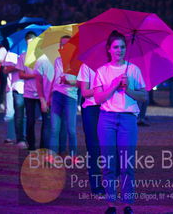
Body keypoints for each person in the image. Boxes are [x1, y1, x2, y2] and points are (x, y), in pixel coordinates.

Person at [93, 30, 147, 214]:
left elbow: (143, 96)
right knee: (108, 163)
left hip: (128, 119)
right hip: (106, 119)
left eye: (123, 47)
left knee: (127, 163)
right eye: (116, 47)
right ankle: (111, 204)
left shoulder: (133, 70)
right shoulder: (102, 71)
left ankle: (127, 203)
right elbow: (98, 98)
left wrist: (129, 88)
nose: (120, 50)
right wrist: (114, 84)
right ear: (109, 49)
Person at [16, 32, 49, 150]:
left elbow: (48, 75)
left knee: (46, 120)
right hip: (29, 93)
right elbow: (21, 75)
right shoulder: (23, 56)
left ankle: (43, 146)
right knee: (30, 121)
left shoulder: (44, 57)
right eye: (28, 43)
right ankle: (31, 145)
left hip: (44, 94)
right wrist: (35, 76)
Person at [77, 63, 105, 195]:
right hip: (91, 109)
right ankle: (96, 186)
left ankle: (112, 182)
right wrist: (103, 89)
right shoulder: (86, 65)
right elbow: (84, 92)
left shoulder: (113, 66)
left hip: (109, 109)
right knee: (94, 147)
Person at [49, 36, 77, 156]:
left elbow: (82, 82)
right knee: (54, 128)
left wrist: (69, 82)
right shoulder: (57, 60)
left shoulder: (77, 62)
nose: (63, 47)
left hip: (70, 96)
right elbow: (54, 78)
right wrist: (49, 95)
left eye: (66, 44)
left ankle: (73, 154)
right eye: (61, 44)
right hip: (57, 95)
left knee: (71, 129)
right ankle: (52, 155)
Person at [35, 54, 54, 149]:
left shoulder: (67, 60)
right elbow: (38, 82)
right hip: (47, 99)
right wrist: (42, 99)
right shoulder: (42, 59)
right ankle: (45, 151)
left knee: (60, 127)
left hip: (63, 98)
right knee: (47, 125)